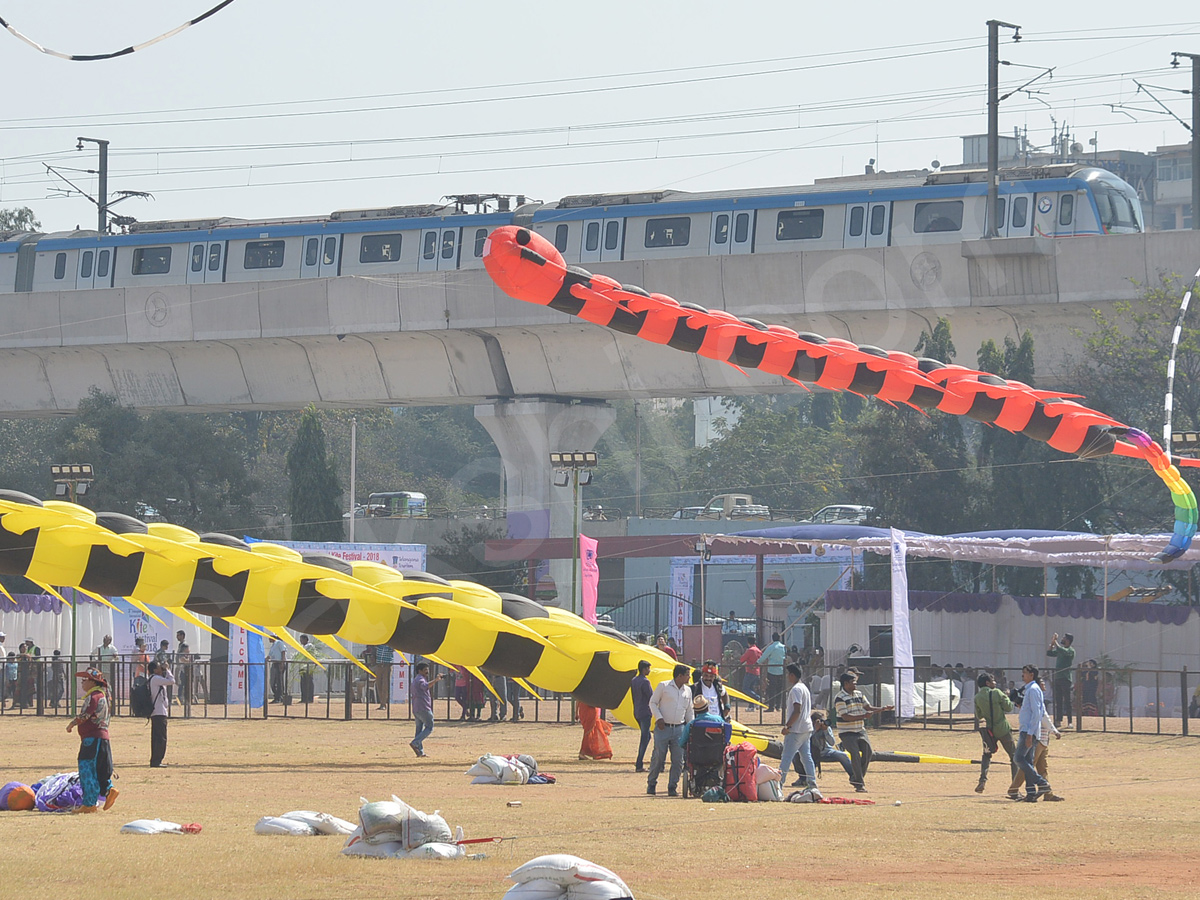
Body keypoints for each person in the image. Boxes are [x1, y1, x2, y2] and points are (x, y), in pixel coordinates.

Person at [66, 666, 118, 813]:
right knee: (100, 769)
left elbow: (85, 715)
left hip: (92, 739)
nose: (82, 683)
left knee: (87, 769)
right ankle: (109, 790)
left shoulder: (94, 696)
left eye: (84, 680)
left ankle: (89, 804)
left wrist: (72, 724)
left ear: (93, 682)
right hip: (102, 738)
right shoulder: (104, 695)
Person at [834, 670, 891, 793]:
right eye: (853, 682)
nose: (855, 685)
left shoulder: (859, 694)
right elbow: (845, 717)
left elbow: (868, 708)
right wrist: (864, 716)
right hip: (847, 732)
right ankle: (859, 784)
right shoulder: (839, 698)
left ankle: (856, 778)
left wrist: (882, 709)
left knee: (868, 752)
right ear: (845, 683)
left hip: (860, 730)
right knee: (854, 754)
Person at [1009, 678, 1065, 802]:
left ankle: (1048, 793)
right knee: (1028, 765)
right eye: (1042, 683)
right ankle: (1014, 789)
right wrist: (1055, 731)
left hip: (1044, 739)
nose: (1044, 684)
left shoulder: (1036, 698)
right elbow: (1044, 717)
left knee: (1042, 767)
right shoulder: (1035, 699)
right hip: (1038, 738)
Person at [646, 664, 694, 797]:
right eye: (687, 674)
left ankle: (672, 786)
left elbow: (689, 710)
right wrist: (659, 718)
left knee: (678, 760)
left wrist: (691, 727)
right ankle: (651, 783)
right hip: (663, 728)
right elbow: (653, 702)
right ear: (679, 676)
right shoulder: (664, 686)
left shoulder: (688, 691)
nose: (689, 677)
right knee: (659, 757)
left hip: (679, 729)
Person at [1013, 664, 1054, 801]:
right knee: (1028, 761)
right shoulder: (1029, 689)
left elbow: (1037, 713)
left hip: (1028, 731)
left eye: (1025, 673)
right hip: (1027, 730)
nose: (1022, 675)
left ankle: (1042, 783)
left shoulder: (1033, 690)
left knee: (1018, 758)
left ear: (1032, 675)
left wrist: (1030, 734)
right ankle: (1031, 794)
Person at [778, 664, 819, 796]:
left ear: (792, 675)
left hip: (796, 729)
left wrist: (787, 726)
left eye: (788, 674)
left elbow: (797, 711)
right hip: (806, 728)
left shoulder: (795, 689)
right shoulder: (804, 688)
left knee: (786, 757)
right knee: (806, 757)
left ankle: (779, 784)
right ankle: (812, 783)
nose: (787, 677)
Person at [973, 671, 1017, 794]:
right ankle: (1014, 785)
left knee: (986, 755)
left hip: (989, 731)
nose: (995, 682)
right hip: (1003, 728)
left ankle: (982, 780)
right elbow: (1008, 707)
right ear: (987, 683)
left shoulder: (977, 697)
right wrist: (1007, 696)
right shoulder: (997, 693)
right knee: (1014, 757)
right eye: (993, 680)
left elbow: (979, 715)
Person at [800, 711, 855, 787]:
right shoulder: (808, 728)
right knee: (797, 755)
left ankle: (854, 777)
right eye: (819, 721)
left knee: (842, 755)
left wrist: (825, 730)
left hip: (827, 751)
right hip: (811, 752)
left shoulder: (826, 728)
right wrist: (815, 729)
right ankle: (802, 778)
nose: (822, 723)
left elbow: (832, 743)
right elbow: (805, 740)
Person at [148, 659, 177, 768]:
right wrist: (167, 669)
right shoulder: (156, 679)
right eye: (159, 667)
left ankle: (155, 760)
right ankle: (157, 760)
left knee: (156, 737)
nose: (161, 669)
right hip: (159, 712)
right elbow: (172, 681)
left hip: (157, 711)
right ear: (155, 670)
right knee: (161, 737)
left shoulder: (154, 679)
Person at [410, 662, 442, 757]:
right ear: (419, 671)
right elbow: (425, 686)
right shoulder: (420, 679)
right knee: (429, 727)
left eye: (427, 670)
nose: (427, 672)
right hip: (423, 707)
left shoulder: (416, 679)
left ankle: (420, 751)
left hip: (416, 707)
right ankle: (415, 743)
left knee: (419, 730)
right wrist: (435, 680)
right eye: (425, 670)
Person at [1047, 632, 1076, 727]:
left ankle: (1070, 721)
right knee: (1058, 700)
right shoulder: (1061, 650)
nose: (1062, 639)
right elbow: (1049, 653)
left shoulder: (1071, 650)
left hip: (1066, 678)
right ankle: (1058, 720)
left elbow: (1061, 650)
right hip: (1058, 678)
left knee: (1067, 701)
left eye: (1064, 638)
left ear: (1068, 640)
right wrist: (1052, 643)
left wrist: (1055, 641)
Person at [631, 660, 654, 773]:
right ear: (644, 669)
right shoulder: (645, 682)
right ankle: (639, 763)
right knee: (645, 738)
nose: (649, 670)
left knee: (647, 736)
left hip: (637, 711)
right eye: (648, 668)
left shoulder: (634, 680)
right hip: (645, 712)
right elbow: (651, 696)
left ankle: (639, 762)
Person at [759, 632, 787, 712]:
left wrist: (758, 662)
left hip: (772, 671)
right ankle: (778, 706)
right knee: (779, 689)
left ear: (772, 638)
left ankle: (771, 707)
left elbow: (764, 657)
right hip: (781, 670)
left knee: (771, 689)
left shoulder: (771, 647)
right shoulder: (784, 647)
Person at [297, 634, 318, 704]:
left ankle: (309, 698)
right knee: (303, 683)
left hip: (308, 666)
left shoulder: (310, 646)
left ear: (306, 639)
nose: (301, 641)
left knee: (308, 683)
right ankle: (304, 698)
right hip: (303, 667)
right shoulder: (303, 647)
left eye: (301, 639)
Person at [268, 637, 288, 705]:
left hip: (279, 663)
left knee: (279, 681)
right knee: (273, 681)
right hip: (274, 664)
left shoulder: (279, 642)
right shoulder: (273, 645)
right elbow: (270, 655)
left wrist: (282, 663)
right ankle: (277, 696)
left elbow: (283, 652)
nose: (268, 639)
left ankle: (279, 697)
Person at [175, 630, 191, 708]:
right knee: (181, 683)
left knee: (183, 683)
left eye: (178, 635)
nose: (177, 637)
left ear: (182, 636)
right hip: (181, 667)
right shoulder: (180, 645)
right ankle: (181, 698)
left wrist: (184, 661)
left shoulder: (184, 645)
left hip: (184, 667)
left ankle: (182, 698)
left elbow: (183, 656)